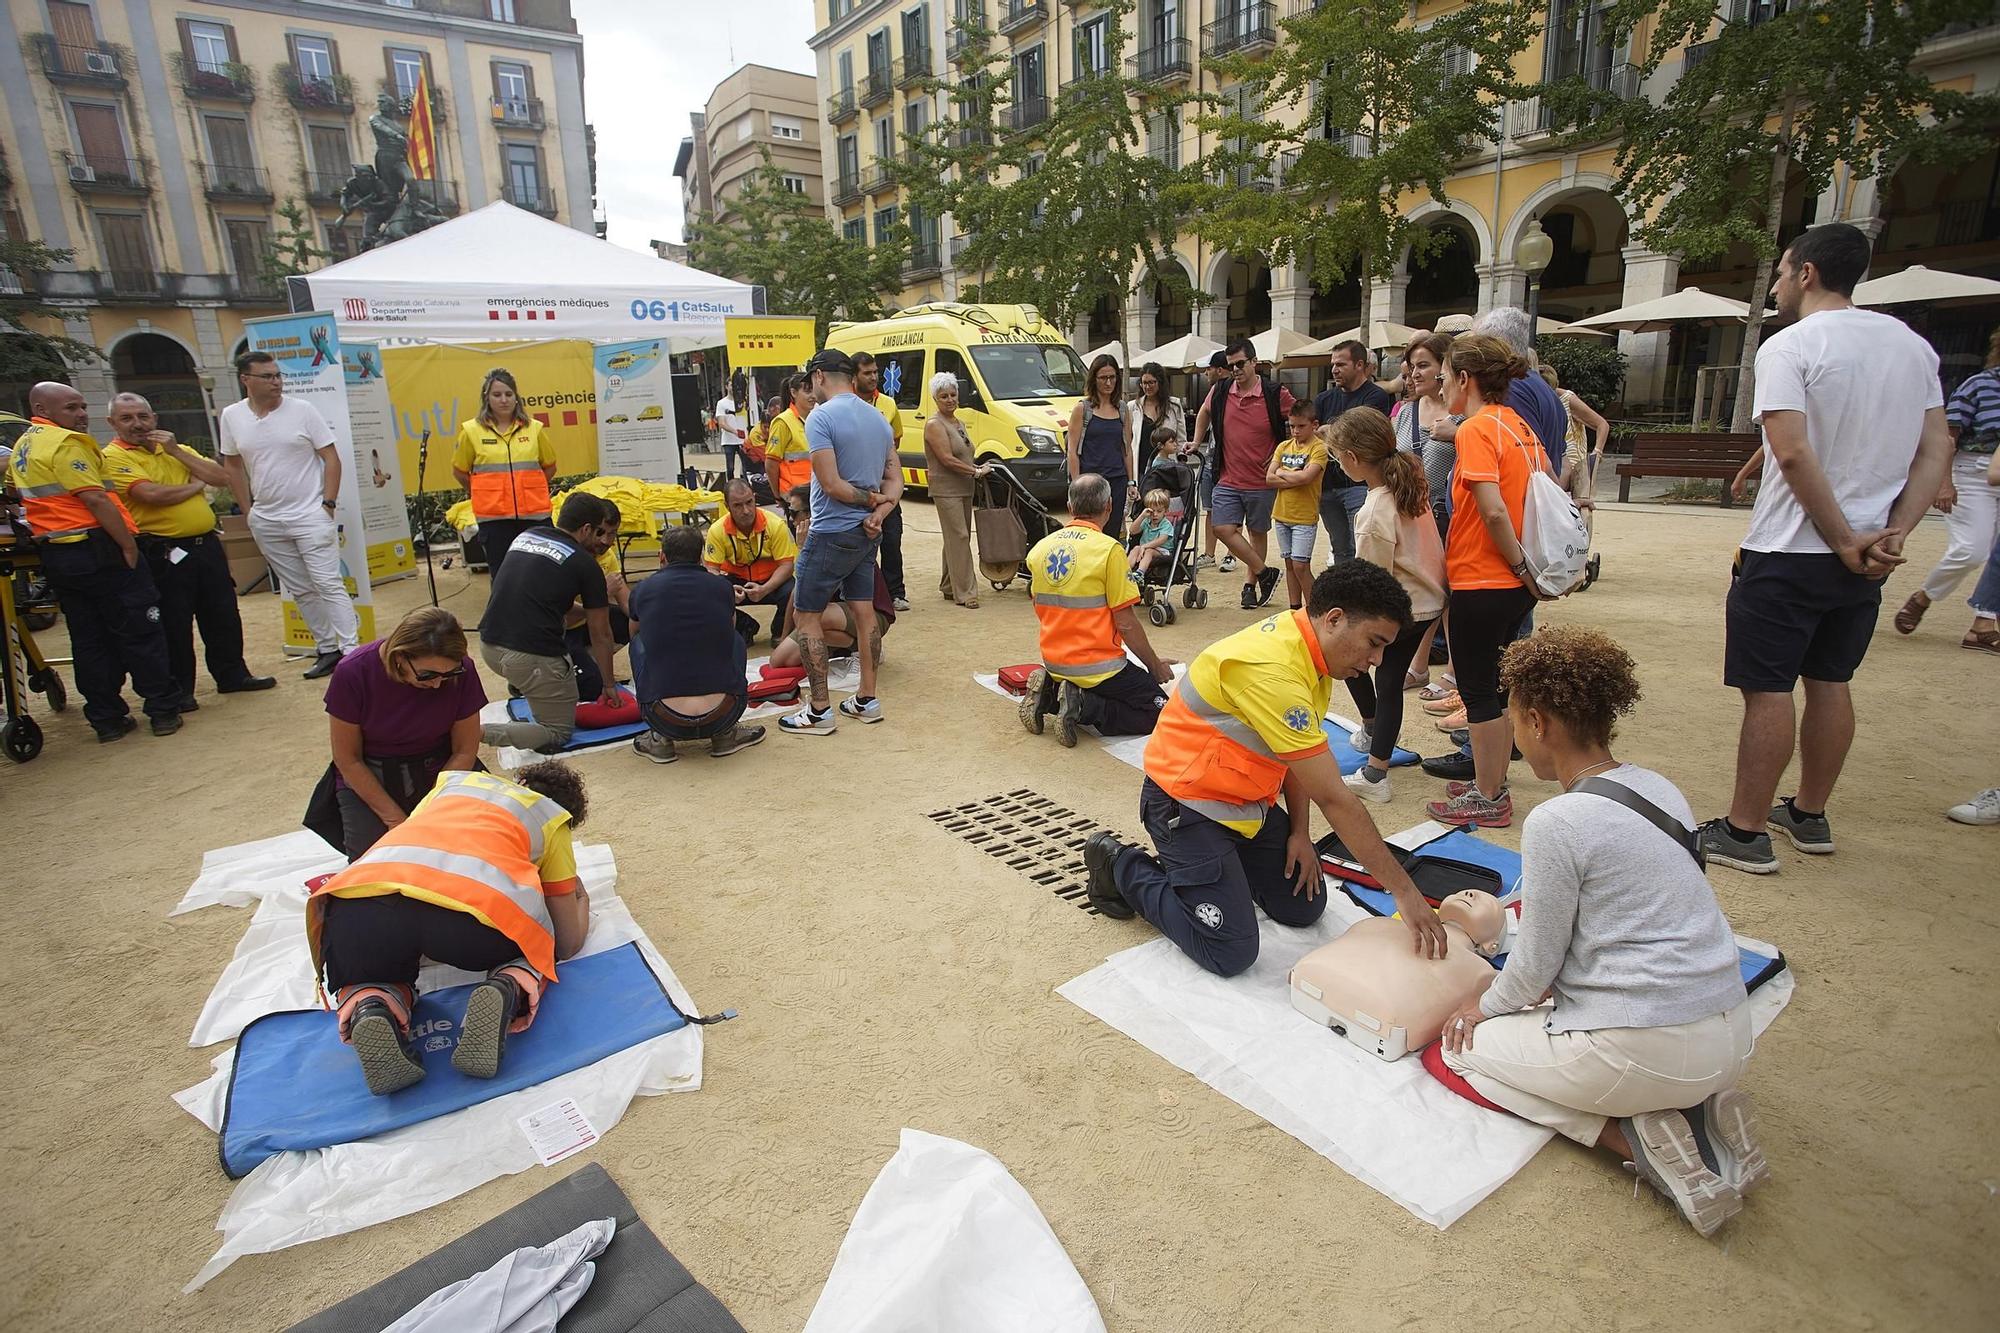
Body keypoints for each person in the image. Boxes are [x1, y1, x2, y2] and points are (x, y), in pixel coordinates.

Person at [1439, 627, 1762, 1238]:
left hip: (1645, 1048)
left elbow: (1534, 972)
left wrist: (1477, 1008)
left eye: (1512, 719)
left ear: (1537, 722)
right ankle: (1698, 1116)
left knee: (1459, 1053)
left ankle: (1633, 1140)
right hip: (1732, 1032)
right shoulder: (1658, 787)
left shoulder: (1558, 819)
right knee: (1585, 1043)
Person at [1697, 222, 1953, 873]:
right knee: (1832, 680)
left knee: (1768, 688)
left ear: (1806, 273)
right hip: (1869, 552)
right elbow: (1936, 450)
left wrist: (1839, 536)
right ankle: (1808, 813)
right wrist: (1893, 531)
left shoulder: (1792, 344)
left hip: (1791, 549)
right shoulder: (1914, 347)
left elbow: (1791, 447)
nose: (1779, 284)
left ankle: (1745, 830)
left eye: (1781, 272)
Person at [1081, 562, 1449, 978]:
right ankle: (1121, 866)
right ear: (1334, 619)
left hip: (1242, 804)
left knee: (1303, 906)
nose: (1377, 660)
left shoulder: (1312, 655)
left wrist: (1299, 835)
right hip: (1185, 804)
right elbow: (1335, 798)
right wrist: (1404, 891)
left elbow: (1297, 758)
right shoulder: (1272, 671)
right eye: (1374, 643)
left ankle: (1220, 868)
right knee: (1230, 951)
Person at [307, 760, 593, 1094]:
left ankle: (373, 1005)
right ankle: (507, 988)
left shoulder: (453, 784)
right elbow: (568, 942)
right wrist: (581, 901)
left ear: (522, 778)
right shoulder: (551, 817)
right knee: (535, 946)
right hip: (469, 913)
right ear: (568, 814)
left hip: (359, 900)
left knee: (371, 973)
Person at [1423, 334, 1553, 829]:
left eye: (1446, 376)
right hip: (1511, 585)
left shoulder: (1475, 429)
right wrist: (1528, 573)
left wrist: (1518, 565)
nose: (1442, 386)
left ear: (1464, 378)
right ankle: (1489, 781)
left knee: (1479, 692)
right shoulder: (1518, 425)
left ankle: (1489, 794)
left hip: (1485, 577)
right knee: (1495, 692)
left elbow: (1492, 508)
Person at [7, 381, 181, 739]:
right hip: (100, 549)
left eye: (82, 406)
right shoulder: (66, 443)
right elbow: (97, 500)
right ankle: (162, 710)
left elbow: (15, 489)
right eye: (71, 408)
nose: (82, 414)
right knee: (141, 630)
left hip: (60, 554)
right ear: (43, 409)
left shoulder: (25, 442)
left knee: (89, 640)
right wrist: (127, 547)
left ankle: (106, 719)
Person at [99, 392, 275, 707]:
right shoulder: (113, 456)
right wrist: (196, 485)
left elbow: (222, 477)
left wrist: (177, 453)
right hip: (162, 551)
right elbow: (151, 495)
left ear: (154, 418)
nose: (137, 424)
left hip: (205, 545)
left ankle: (232, 675)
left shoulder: (176, 450)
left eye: (143, 416)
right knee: (173, 621)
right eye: (127, 418)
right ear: (112, 423)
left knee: (223, 613)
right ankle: (181, 689)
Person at [780, 349, 901, 736]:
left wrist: (870, 502)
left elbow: (831, 486)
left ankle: (818, 710)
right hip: (866, 533)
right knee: (864, 613)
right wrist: (879, 512)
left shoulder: (821, 417)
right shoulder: (878, 417)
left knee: (806, 617)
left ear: (817, 376)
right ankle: (867, 698)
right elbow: (894, 480)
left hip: (831, 531)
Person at [1328, 407, 1446, 804]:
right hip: (1428, 602)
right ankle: (1374, 739)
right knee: (1389, 679)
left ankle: (1376, 770)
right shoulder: (1410, 483)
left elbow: (1371, 582)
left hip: (1402, 606)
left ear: (1352, 459)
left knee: (1349, 659)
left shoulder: (1375, 509)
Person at [220, 350, 359, 679]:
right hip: (266, 518)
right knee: (298, 587)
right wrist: (248, 510)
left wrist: (327, 504)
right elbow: (232, 464)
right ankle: (327, 649)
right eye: (267, 376)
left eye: (278, 375)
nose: (276, 382)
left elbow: (331, 457)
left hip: (310, 513)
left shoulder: (303, 410)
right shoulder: (231, 415)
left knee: (328, 582)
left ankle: (352, 652)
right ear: (246, 380)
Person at [311, 606, 487, 861]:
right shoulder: (354, 671)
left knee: (479, 851)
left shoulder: (463, 670)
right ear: (399, 657)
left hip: (444, 767)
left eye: (449, 675)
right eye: (428, 675)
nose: (438, 683)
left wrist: (433, 807)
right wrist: (395, 819)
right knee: (379, 862)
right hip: (373, 772)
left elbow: (465, 749)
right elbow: (348, 759)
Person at [1019, 473, 1176, 743]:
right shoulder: (1109, 551)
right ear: (1109, 507)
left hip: (1055, 660)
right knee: (1161, 712)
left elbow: (1042, 607)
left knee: (1107, 688)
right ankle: (1082, 705)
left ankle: (1052, 695)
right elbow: (1125, 623)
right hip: (1099, 667)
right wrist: (1154, 665)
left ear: (1070, 508)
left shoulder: (1041, 549)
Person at [477, 493, 623, 753]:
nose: (602, 539)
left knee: (549, 680)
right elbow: (601, 634)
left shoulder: (527, 536)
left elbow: (551, 601)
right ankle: (475, 733)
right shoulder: (585, 564)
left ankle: (528, 685)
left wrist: (589, 612)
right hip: (531, 658)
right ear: (586, 528)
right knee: (556, 733)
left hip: (489, 646)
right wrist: (609, 685)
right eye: (599, 531)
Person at [1894, 326, 1999, 641]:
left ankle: (1983, 623)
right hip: (1974, 474)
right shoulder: (1980, 385)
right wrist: (1943, 482)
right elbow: (1946, 438)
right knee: (1972, 549)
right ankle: (1924, 596)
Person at [629, 526, 765, 762]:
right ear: (701, 556)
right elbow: (728, 628)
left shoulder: (642, 589)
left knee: (639, 642)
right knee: (734, 639)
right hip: (723, 712)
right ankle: (726, 733)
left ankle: (660, 739)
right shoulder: (722, 587)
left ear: (662, 556)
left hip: (664, 717)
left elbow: (635, 633)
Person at [1189, 337, 1289, 609]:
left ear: (1254, 362)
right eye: (1231, 365)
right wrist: (1197, 441)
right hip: (1228, 476)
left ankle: (1250, 586)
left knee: (1257, 533)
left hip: (1261, 480)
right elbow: (1204, 413)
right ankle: (1265, 572)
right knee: (1222, 527)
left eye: (1240, 364)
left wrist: (1281, 454)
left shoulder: (1274, 392)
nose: (1235, 370)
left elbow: (1299, 420)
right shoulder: (1221, 391)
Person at [771, 483, 897, 668]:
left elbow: (813, 601)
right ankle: (854, 646)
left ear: (812, 513)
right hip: (838, 612)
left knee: (810, 618)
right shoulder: (815, 539)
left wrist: (805, 552)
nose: (792, 521)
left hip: (870, 613)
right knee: (780, 660)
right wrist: (784, 638)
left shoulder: (835, 535)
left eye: (794, 513)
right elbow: (798, 594)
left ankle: (866, 645)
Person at [451, 368, 557, 580]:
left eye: (509, 394)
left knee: (543, 573)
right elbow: (460, 471)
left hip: (535, 516)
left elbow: (550, 466)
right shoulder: (471, 431)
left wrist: (529, 489)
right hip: (494, 519)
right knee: (503, 576)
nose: (504, 400)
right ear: (486, 398)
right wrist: (484, 492)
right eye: (497, 395)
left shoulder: (534, 428)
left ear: (516, 398)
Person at [1313, 339, 1397, 562]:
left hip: (1360, 484)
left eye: (1341, 364)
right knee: (1339, 549)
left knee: (1363, 548)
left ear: (1359, 365)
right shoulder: (1323, 398)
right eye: (1333, 364)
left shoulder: (1376, 396)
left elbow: (1361, 434)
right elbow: (1315, 435)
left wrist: (1332, 432)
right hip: (1328, 484)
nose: (1334, 369)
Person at [1470, 307, 1569, 473]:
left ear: (1497, 346)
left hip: (1520, 494)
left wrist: (1458, 433)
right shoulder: (1542, 387)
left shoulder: (1510, 388)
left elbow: (1519, 449)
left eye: (1479, 347)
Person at [924, 370, 990, 608]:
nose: (950, 399)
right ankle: (966, 593)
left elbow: (963, 455)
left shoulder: (958, 422)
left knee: (954, 537)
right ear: (935, 399)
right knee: (960, 536)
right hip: (946, 489)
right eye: (944, 396)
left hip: (964, 487)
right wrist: (975, 471)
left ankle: (949, 585)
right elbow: (946, 459)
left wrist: (976, 467)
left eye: (953, 394)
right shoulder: (934, 425)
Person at [703, 477, 797, 644]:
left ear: (755, 498)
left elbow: (787, 566)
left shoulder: (775, 525)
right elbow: (711, 570)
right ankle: (744, 625)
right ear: (727, 506)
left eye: (749, 502)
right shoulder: (716, 530)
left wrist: (764, 589)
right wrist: (728, 589)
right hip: (737, 584)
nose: (746, 510)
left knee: (793, 590)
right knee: (710, 591)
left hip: (771, 582)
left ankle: (780, 630)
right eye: (738, 505)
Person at [1537, 365, 1608, 587]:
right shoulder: (1539, 401)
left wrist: (1597, 452)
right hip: (1552, 456)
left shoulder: (1567, 399)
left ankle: (1578, 553)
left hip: (1574, 460)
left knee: (1575, 507)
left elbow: (1601, 424)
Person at [854, 351, 910, 612]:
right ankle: (864, 596)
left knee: (891, 539)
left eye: (875, 371)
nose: (874, 377)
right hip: (857, 487)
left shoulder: (888, 404)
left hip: (885, 486)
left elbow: (895, 439)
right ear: (854, 376)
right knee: (860, 543)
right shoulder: (847, 405)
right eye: (867, 373)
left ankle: (896, 593)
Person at [1264, 399, 1327, 611]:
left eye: (1301, 426)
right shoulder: (1283, 446)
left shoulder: (1318, 448)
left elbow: (1306, 478)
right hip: (1282, 514)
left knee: (1301, 566)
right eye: (1292, 426)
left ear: (1314, 424)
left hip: (1304, 516)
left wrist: (1282, 472)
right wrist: (1291, 475)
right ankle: (1294, 607)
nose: (1295, 431)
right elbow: (1269, 478)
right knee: (1290, 565)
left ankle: (1315, 609)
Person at [1068, 354, 1135, 529]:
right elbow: (1072, 451)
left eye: (1112, 377)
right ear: (1094, 379)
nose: (1108, 383)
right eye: (1103, 378)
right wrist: (1076, 485)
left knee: (1113, 529)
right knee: (1088, 529)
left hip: (1117, 480)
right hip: (1089, 481)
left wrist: (1131, 481)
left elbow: (1126, 449)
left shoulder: (1122, 409)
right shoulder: (1082, 409)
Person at [1196, 350, 1229, 569]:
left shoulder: (1231, 388)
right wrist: (1197, 443)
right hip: (1212, 457)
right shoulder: (1215, 391)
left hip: (1231, 459)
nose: (1206, 372)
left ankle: (1231, 554)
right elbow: (1203, 412)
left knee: (1232, 509)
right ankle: (1209, 554)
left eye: (1208, 368)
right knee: (1210, 508)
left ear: (1219, 369)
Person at [1128, 362, 1186, 480]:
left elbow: (1181, 438)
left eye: (1151, 382)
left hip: (1167, 468)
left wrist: (1182, 462)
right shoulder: (1133, 407)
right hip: (1141, 468)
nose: (1147, 387)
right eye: (1144, 383)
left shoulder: (1174, 405)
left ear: (1160, 382)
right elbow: (1129, 440)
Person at [764, 373, 815, 501]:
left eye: (814, 390)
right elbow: (771, 463)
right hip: (794, 496)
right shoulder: (783, 422)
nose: (813, 396)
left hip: (813, 493)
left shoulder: (814, 419)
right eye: (807, 391)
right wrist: (777, 496)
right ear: (793, 392)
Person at [1126, 488, 1177, 579]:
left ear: (1166, 511)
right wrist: (1142, 516)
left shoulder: (1166, 524)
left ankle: (1140, 574)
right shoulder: (1146, 521)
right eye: (1152, 511)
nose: (1155, 514)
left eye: (1159, 511)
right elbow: (1132, 531)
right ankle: (1125, 571)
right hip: (1143, 549)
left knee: (1149, 551)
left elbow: (1162, 540)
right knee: (1135, 548)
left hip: (1162, 551)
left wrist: (1145, 546)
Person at [714, 383, 748, 480]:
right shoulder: (721, 403)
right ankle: (731, 487)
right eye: (731, 385)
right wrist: (735, 432)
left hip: (743, 440)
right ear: (726, 386)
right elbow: (721, 423)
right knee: (730, 468)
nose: (733, 388)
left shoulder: (743, 402)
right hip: (729, 441)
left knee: (746, 466)